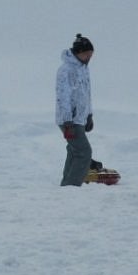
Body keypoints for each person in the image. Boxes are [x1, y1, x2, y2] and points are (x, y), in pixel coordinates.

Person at [55, 34, 95, 186]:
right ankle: (72, 185)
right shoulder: (66, 70)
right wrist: (67, 121)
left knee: (74, 150)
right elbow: (62, 96)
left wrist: (89, 115)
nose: (89, 58)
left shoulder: (83, 69)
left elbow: (87, 94)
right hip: (69, 120)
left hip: (79, 118)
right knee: (84, 153)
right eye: (86, 54)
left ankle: (67, 186)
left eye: (91, 55)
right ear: (78, 53)